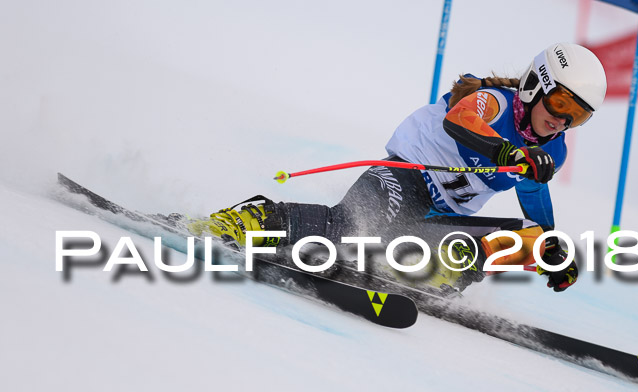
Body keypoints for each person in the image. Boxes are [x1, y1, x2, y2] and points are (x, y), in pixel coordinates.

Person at [186, 43, 607, 294]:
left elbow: (534, 196)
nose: (562, 120)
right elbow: (459, 121)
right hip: (404, 178)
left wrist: (550, 250)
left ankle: (398, 273)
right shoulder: (493, 101)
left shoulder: (553, 149)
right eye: (561, 104)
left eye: (578, 116)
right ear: (536, 87)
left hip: (441, 217)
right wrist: (506, 153)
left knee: (523, 242)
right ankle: (253, 222)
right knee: (351, 228)